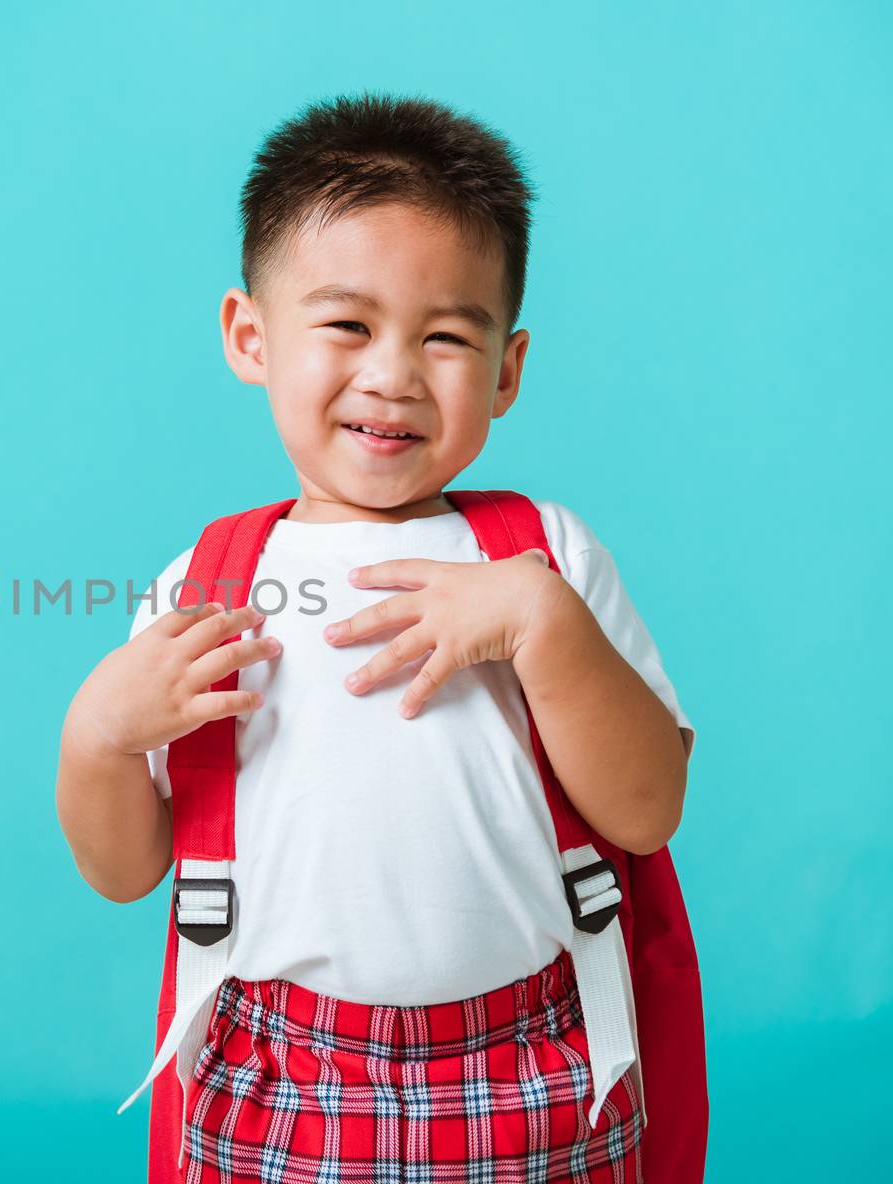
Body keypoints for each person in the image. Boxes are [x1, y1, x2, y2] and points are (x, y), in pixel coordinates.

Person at [53, 92, 695, 1181]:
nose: (392, 373)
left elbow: (646, 811)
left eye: (446, 336)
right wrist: (98, 738)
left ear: (505, 369)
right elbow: (128, 871)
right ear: (250, 337)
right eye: (347, 325)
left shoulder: (542, 557)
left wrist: (540, 624)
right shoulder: (206, 585)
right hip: (274, 1077)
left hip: (536, 1061)